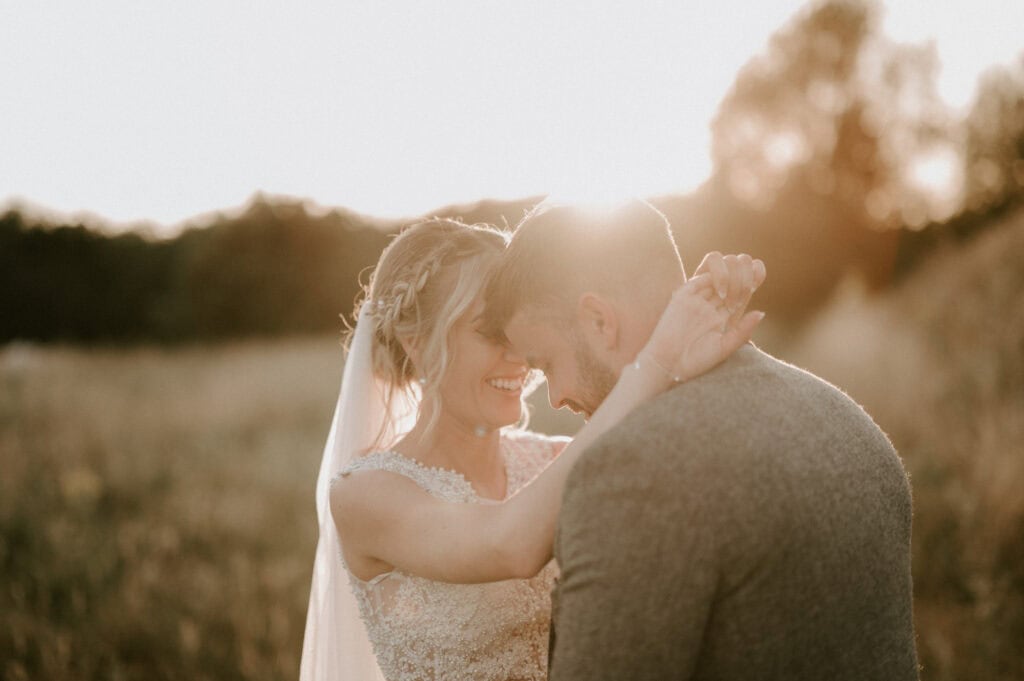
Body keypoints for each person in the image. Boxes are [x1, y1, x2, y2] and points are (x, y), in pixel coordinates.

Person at [299, 216, 766, 681]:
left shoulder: (556, 459)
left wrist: (691, 309)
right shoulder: (364, 495)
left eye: (519, 336)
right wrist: (659, 357)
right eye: (491, 335)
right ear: (417, 343)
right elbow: (511, 546)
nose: (518, 359)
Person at [483, 200, 920, 681]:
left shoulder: (631, 476)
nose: (558, 395)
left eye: (546, 364)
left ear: (600, 322)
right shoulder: (845, 417)